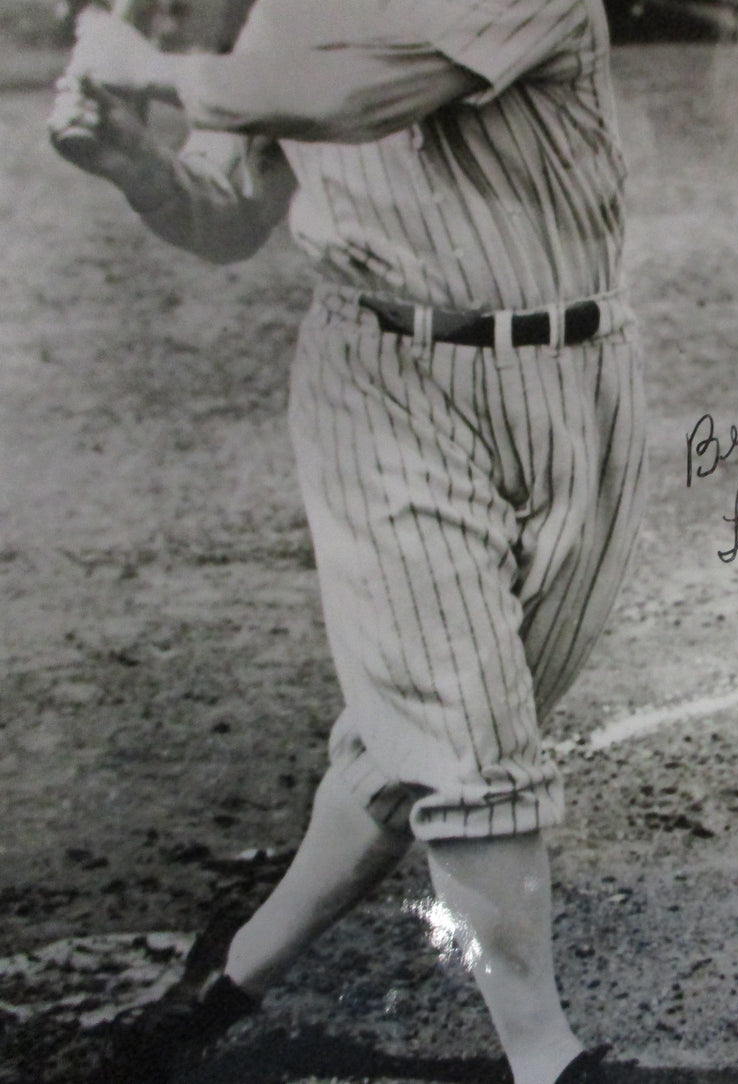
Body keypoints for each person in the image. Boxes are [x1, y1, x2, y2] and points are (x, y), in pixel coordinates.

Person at [49, 0, 647, 1080]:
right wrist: (136, 163)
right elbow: (227, 215)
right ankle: (549, 1059)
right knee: (464, 731)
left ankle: (229, 977)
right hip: (380, 379)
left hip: (582, 383)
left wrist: (153, 68)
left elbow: (360, 90)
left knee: (418, 748)